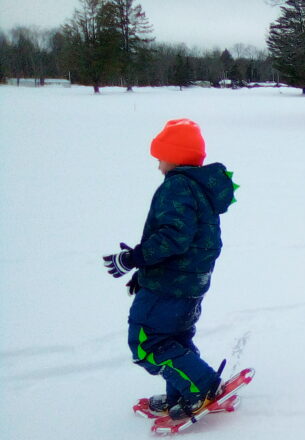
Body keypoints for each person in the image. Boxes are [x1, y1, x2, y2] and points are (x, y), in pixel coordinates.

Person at [102, 118, 238, 418]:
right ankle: (181, 392)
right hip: (187, 282)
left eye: (161, 158)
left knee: (146, 343)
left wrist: (133, 259)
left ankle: (201, 387)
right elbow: (187, 240)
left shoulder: (177, 186)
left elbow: (174, 237)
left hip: (170, 285)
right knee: (174, 338)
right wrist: (145, 272)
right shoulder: (198, 188)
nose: (158, 165)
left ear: (175, 156)